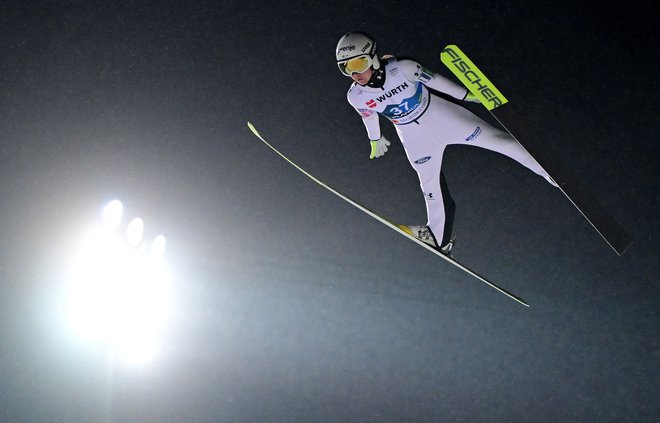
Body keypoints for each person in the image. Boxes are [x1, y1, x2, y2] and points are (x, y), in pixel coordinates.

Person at [336, 31, 557, 255]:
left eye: (358, 62)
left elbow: (436, 80)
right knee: (429, 185)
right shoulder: (356, 96)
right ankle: (437, 237)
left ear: (372, 56)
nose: (355, 73)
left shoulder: (402, 68)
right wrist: (375, 138)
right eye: (346, 68)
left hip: (444, 118)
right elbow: (368, 115)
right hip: (413, 137)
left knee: (502, 142)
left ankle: (550, 172)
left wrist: (467, 95)